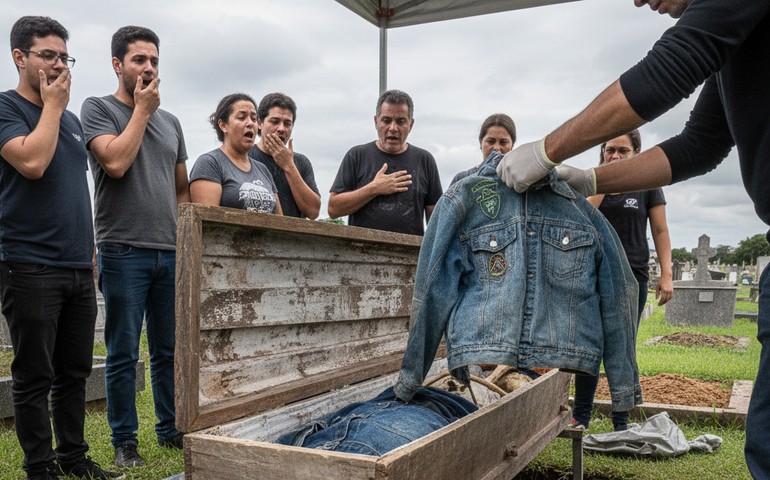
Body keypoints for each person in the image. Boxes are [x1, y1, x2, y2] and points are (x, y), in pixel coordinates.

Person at [494, 0, 770, 477]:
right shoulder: (739, 42)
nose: (639, 2)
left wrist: (546, 149)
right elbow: (700, 144)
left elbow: (671, 67)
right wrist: (592, 179)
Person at [0, 16, 122, 480]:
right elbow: (31, 161)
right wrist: (51, 106)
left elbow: (75, 188)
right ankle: (40, 467)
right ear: (20, 57)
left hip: (76, 264)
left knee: (73, 371)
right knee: (35, 374)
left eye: (63, 56)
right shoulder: (7, 108)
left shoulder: (70, 121)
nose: (57, 64)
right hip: (28, 262)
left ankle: (74, 458)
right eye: (47, 55)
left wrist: (88, 249)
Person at [80, 25, 189, 468]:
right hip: (123, 249)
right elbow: (117, 162)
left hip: (170, 252)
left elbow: (182, 190)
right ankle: (124, 441)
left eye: (154, 61)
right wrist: (142, 111)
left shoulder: (173, 123)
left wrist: (183, 240)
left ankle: (170, 429)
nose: (148, 68)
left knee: (168, 350)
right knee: (123, 351)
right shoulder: (97, 109)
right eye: (139, 60)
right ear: (117, 65)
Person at [571, 130, 673, 432]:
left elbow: (660, 231)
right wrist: (604, 179)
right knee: (589, 347)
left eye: (622, 151)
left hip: (633, 277)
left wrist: (666, 274)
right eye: (609, 150)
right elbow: (581, 217)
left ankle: (621, 421)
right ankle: (581, 417)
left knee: (623, 348)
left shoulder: (648, 185)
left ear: (636, 153)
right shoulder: (592, 182)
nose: (614, 156)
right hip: (593, 276)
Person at [328, 89, 442, 235]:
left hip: (410, 255)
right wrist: (374, 188)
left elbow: (436, 221)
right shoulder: (356, 156)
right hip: (360, 255)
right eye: (386, 120)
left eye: (401, 122)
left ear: (411, 125)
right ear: (376, 122)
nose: (393, 128)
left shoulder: (425, 160)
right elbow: (333, 209)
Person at [190, 93, 283, 214]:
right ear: (223, 125)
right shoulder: (210, 164)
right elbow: (205, 223)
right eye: (241, 117)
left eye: (254, 119)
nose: (250, 123)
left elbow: (280, 222)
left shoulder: (263, 170)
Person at [247, 93, 320, 218]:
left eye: (287, 124)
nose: (281, 129)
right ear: (260, 123)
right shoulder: (245, 157)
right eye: (274, 122)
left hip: (291, 236)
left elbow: (313, 212)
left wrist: (288, 165)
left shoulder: (301, 162)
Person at [450, 113, 516, 186]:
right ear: (481, 142)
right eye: (490, 141)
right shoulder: (461, 180)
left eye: (503, 142)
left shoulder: (520, 182)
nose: (497, 148)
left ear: (512, 145)